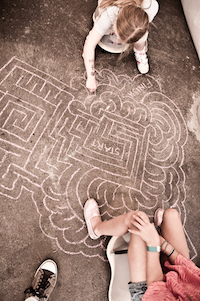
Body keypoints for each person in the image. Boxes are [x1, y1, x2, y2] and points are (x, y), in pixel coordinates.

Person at [84, 198, 200, 300]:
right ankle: (160, 233)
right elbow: (192, 273)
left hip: (149, 294)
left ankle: (96, 229)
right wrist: (163, 244)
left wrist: (153, 244)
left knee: (136, 220)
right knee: (171, 215)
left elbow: (155, 286)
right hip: (180, 282)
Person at [83, 0, 159, 92]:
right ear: (116, 20)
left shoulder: (151, 7)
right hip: (110, 6)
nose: (118, 41)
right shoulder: (111, 12)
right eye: (117, 34)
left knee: (141, 34)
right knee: (98, 32)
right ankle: (107, 29)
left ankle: (140, 51)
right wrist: (90, 77)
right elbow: (90, 43)